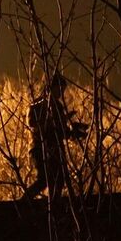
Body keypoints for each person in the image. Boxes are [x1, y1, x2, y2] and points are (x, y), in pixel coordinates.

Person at [23, 73, 88, 201]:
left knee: (59, 179)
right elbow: (33, 124)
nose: (61, 93)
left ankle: (54, 205)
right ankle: (25, 203)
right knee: (44, 179)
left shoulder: (58, 106)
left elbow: (61, 131)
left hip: (56, 149)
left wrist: (75, 131)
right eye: (59, 89)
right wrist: (51, 123)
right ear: (50, 88)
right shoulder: (36, 105)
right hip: (40, 148)